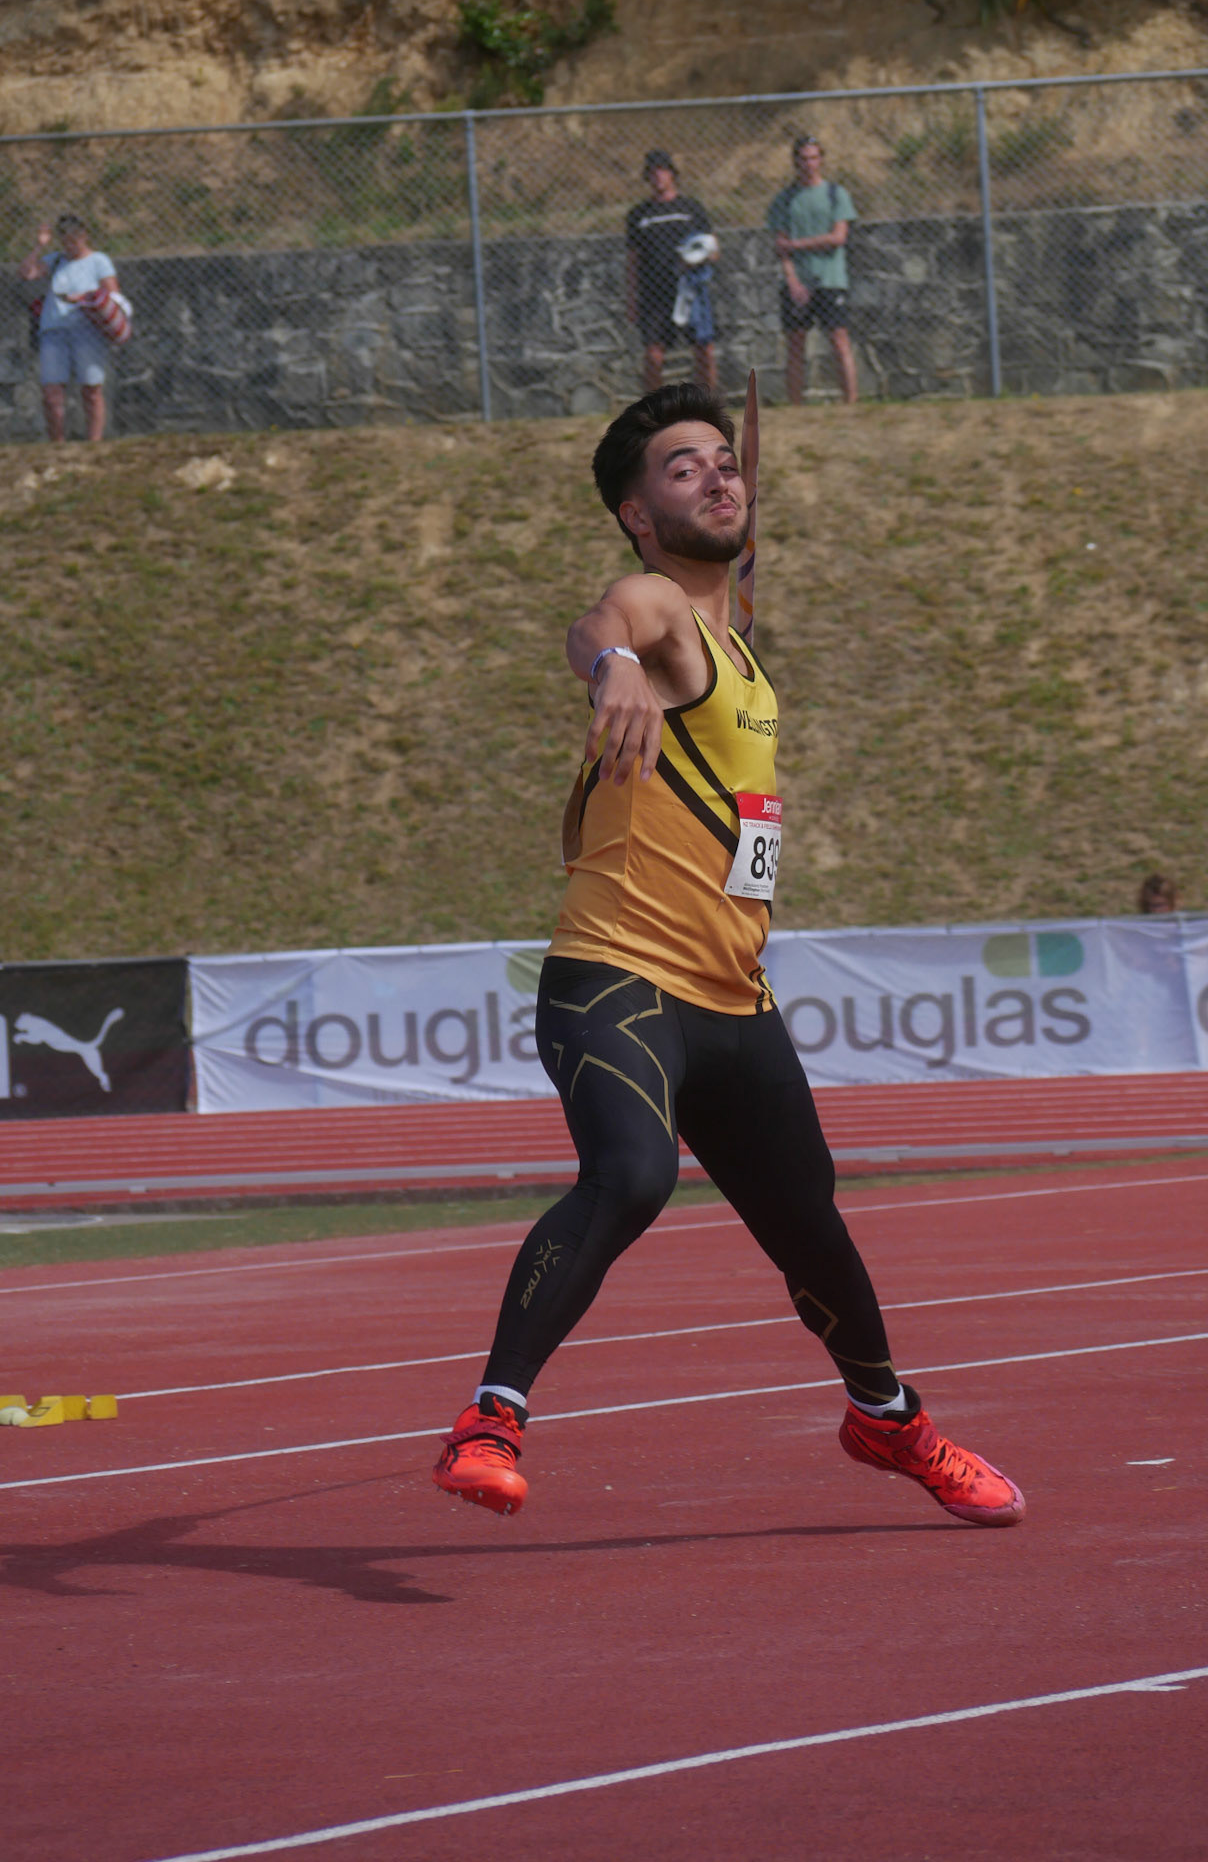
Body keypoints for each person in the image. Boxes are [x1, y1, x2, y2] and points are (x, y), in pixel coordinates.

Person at [432, 381, 1024, 1529]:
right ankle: (490, 1416)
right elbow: (608, 618)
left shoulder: (739, 655)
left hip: (734, 1001)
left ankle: (887, 1416)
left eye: (724, 457)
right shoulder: (655, 613)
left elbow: (710, 624)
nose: (717, 472)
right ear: (636, 515)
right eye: (682, 466)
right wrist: (609, 663)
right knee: (632, 1175)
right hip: (617, 973)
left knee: (811, 1224)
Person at [767, 134, 859, 406]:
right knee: (795, 344)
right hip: (798, 282)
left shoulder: (836, 194)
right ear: (795, 162)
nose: (809, 164)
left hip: (831, 279)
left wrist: (798, 244)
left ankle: (851, 402)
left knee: (839, 341)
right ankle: (796, 406)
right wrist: (792, 281)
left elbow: (838, 237)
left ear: (821, 160)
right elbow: (781, 246)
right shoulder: (784, 200)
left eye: (814, 158)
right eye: (803, 159)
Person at [624, 150, 719, 394]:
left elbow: (713, 249)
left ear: (672, 174)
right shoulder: (639, 215)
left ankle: (707, 404)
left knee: (704, 350)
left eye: (663, 171)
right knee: (654, 355)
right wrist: (631, 299)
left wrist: (695, 259)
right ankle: (653, 409)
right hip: (654, 293)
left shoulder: (691, 208)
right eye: (653, 172)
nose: (658, 177)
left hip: (690, 291)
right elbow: (633, 260)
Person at [20, 215, 120, 443]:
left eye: (75, 239)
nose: (70, 245)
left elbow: (113, 295)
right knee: (52, 394)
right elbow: (26, 273)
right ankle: (57, 443)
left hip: (87, 331)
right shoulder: (55, 260)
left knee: (91, 390)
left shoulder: (99, 261)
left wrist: (84, 298)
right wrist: (39, 246)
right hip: (54, 331)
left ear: (84, 236)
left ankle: (94, 442)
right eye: (65, 240)